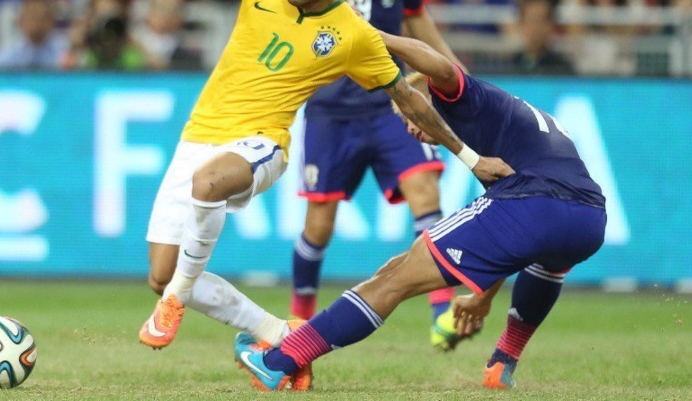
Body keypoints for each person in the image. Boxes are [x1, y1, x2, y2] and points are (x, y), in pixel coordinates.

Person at [63, 0, 512, 389]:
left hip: (263, 144)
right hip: (198, 137)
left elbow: (408, 100)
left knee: (206, 188)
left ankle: (175, 300)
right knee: (161, 271)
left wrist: (470, 158)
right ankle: (280, 333)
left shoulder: (352, 34)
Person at [235, 30, 607, 391]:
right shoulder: (507, 124)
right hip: (589, 218)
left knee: (394, 276)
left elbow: (442, 69)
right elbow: (516, 233)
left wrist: (372, 35)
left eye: (409, 114)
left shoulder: (461, 98)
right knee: (548, 261)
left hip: (533, 202)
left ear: (428, 96)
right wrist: (484, 295)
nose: (409, 128)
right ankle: (502, 363)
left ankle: (279, 361)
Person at [276, 0, 465, 350]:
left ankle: (442, 315)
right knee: (319, 223)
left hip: (392, 100)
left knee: (427, 192)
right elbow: (281, 20)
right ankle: (297, 320)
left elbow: (416, 14)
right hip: (330, 108)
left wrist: (448, 68)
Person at [510, 0, 575, 75]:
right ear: (521, 24)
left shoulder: (562, 67)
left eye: (541, 20)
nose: (536, 27)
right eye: (532, 20)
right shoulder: (509, 66)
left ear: (551, 25)